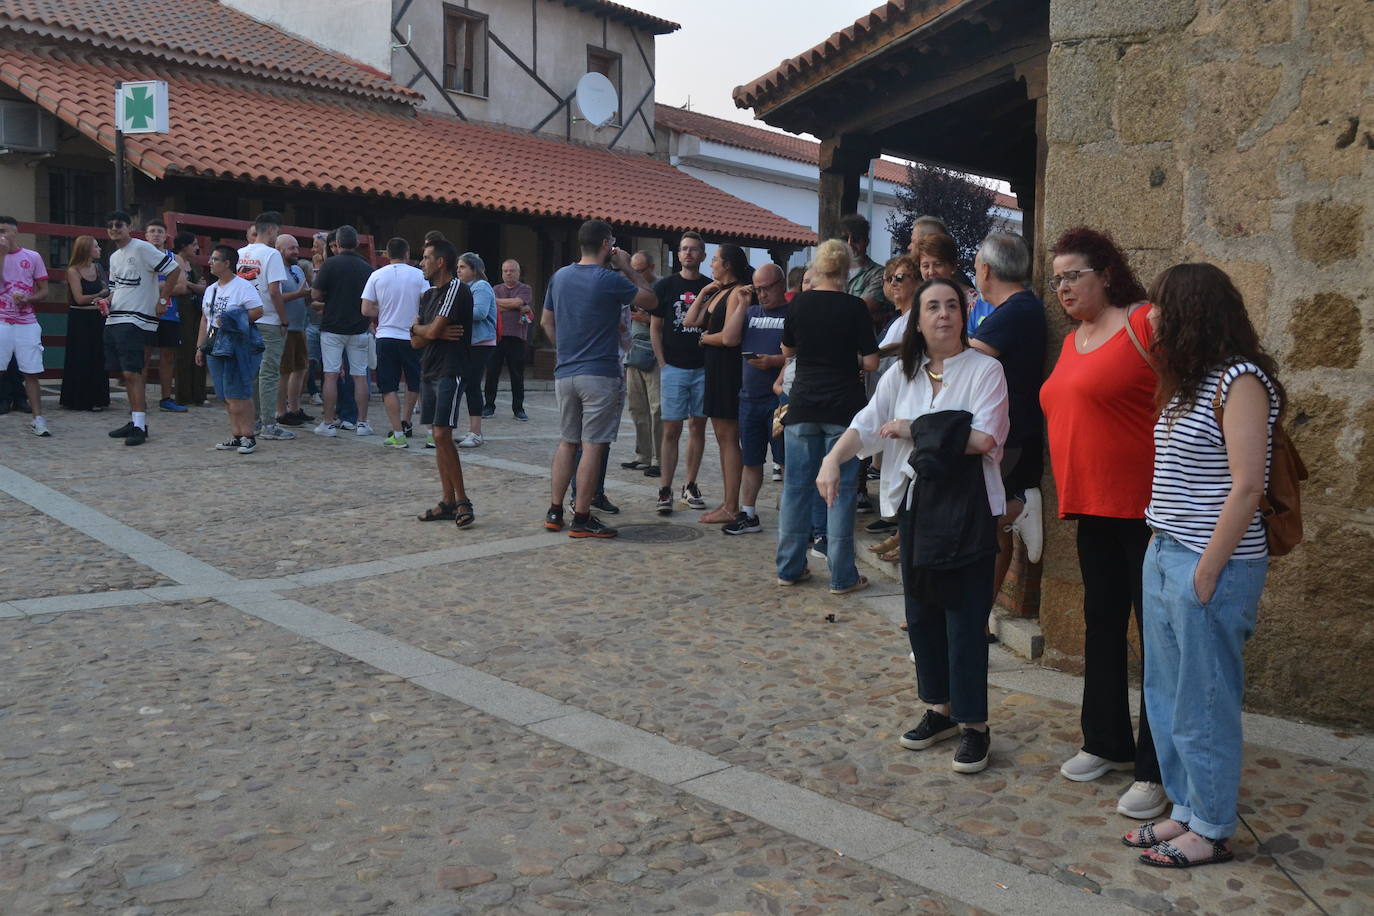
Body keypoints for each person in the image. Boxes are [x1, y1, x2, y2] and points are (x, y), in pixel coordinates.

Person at [1127, 263, 1284, 869]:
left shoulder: (1242, 381)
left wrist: (1209, 571)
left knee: (1206, 699)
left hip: (1208, 564)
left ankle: (1214, 826)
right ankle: (1188, 810)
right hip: (1165, 550)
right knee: (1167, 696)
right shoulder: (1191, 378)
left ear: (1193, 309)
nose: (1153, 315)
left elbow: (1248, 486)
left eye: (1162, 304)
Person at [821, 276, 1009, 773]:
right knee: (922, 614)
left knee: (965, 620)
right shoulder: (901, 376)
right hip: (917, 506)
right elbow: (868, 422)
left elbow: (984, 439)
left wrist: (913, 429)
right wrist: (831, 460)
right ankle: (940, 709)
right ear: (918, 320)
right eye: (933, 307)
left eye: (951, 306)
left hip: (968, 509)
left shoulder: (986, 371)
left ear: (963, 315)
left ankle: (975, 725)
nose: (943, 314)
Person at [1039, 227, 1164, 819]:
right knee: (1103, 625)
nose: (1062, 286)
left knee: (1158, 640)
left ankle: (1156, 767)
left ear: (1106, 274)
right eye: (1057, 278)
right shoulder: (1073, 340)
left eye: (1073, 275)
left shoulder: (1145, 323)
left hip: (1147, 513)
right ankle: (1106, 742)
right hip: (1091, 508)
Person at [775, 239, 878, 594]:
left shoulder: (799, 303)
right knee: (842, 492)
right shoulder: (855, 307)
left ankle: (789, 567)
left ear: (818, 267)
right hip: (843, 409)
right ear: (847, 269)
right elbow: (871, 362)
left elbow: (787, 350)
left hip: (802, 405)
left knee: (795, 489)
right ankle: (842, 576)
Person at [541, 219, 655, 538]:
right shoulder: (610, 280)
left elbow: (546, 322)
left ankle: (554, 509)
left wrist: (564, 350)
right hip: (601, 373)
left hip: (566, 372)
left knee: (568, 442)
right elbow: (651, 300)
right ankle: (581, 517)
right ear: (607, 244)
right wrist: (629, 267)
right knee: (592, 446)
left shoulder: (559, 277)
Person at [969, 233, 1046, 619]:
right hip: (1013, 433)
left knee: (984, 525)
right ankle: (976, 615)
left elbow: (963, 361)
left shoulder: (1016, 310)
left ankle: (1022, 506)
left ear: (985, 269)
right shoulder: (1019, 308)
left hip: (1010, 436)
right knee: (990, 530)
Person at [684, 244, 753, 525]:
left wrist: (704, 338)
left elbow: (729, 338)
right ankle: (728, 502)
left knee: (728, 439)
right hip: (714, 369)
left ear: (727, 265)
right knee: (723, 438)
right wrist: (702, 293)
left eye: (714, 260)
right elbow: (690, 321)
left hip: (728, 370)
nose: (710, 264)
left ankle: (731, 505)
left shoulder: (738, 292)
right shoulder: (718, 291)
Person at [411, 238, 476, 527]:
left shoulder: (455, 290)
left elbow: (434, 329)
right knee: (439, 438)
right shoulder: (427, 297)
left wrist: (427, 331)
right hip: (429, 369)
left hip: (451, 369)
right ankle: (448, 500)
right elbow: (414, 341)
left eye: (425, 258)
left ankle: (462, 500)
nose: (421, 263)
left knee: (441, 434)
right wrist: (424, 331)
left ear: (440, 262)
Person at [722, 261, 788, 535]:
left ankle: (792, 515)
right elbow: (728, 338)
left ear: (780, 285)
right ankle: (748, 513)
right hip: (750, 397)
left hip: (779, 399)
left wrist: (775, 360)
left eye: (766, 288)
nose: (762, 294)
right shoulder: (750, 312)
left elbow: (801, 352)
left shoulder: (792, 313)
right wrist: (741, 302)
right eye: (757, 288)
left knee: (787, 461)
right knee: (751, 459)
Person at [104, 210, 181, 446]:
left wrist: (162, 300)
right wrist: (106, 301)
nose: (115, 229)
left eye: (120, 225)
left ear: (129, 227)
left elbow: (174, 269)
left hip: (136, 318)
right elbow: (115, 287)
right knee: (123, 373)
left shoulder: (142, 247)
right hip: (115, 317)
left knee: (133, 371)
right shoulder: (115, 256)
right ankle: (135, 420)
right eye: (111, 225)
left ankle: (139, 424)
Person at [650, 232, 711, 514]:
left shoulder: (711, 288)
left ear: (703, 255)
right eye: (684, 249)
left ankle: (690, 484)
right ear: (678, 254)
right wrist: (662, 362)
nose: (688, 254)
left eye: (694, 249)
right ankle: (665, 488)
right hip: (673, 367)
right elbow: (655, 327)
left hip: (702, 368)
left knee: (698, 426)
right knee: (671, 429)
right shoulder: (665, 285)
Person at [866, 254, 921, 558]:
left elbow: (904, 349)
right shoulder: (898, 319)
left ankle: (905, 537)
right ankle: (901, 533)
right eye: (890, 278)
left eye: (901, 277)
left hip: (907, 402)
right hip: (890, 401)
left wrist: (870, 353)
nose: (894, 283)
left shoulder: (916, 316)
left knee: (905, 472)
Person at [196, 244, 264, 454]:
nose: (210, 262)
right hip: (215, 343)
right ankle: (236, 434)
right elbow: (205, 319)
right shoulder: (211, 289)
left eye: (215, 259)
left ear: (227, 263)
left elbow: (258, 311)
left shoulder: (243, 286)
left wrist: (232, 320)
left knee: (240, 392)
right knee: (224, 393)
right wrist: (200, 346)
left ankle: (249, 435)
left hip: (237, 343)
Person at [362, 237, 427, 447]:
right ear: (407, 254)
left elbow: (366, 309)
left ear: (387, 254)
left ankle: (397, 433)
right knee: (414, 381)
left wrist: (383, 310)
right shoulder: (419, 275)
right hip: (412, 335)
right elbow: (427, 303)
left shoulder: (376, 275)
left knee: (388, 386)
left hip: (386, 335)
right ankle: (411, 422)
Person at [237, 212, 295, 441]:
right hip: (269, 319)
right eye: (278, 232)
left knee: (253, 372)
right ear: (271, 230)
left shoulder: (241, 253)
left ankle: (256, 418)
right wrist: (283, 319)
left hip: (247, 319)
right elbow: (274, 290)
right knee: (269, 373)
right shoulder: (272, 254)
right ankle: (270, 424)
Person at [312, 225, 373, 437]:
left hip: (332, 326)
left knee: (329, 375)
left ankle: (328, 423)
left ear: (337, 244)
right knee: (359, 376)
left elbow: (316, 295)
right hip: (359, 327)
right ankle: (362, 422)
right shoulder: (366, 267)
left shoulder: (330, 264)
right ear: (356, 243)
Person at [0, 215, 52, 436]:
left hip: (26, 321)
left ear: (14, 232)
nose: (1, 235)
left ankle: (38, 419)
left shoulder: (32, 256)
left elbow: (44, 289)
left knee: (31, 372)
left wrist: (28, 299)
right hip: (1, 320)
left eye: (4, 230)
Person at [620, 250, 663, 476]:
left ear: (652, 268)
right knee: (637, 408)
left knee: (657, 409)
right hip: (633, 353)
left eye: (639, 270)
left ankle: (659, 459)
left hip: (655, 354)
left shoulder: (662, 287)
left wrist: (646, 319)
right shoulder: (631, 288)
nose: (634, 274)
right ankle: (642, 455)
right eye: (632, 270)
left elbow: (674, 321)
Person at [140, 219, 186, 413]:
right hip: (144, 312)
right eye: (152, 231)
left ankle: (166, 398)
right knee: (143, 357)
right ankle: (138, 399)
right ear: (146, 236)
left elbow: (182, 287)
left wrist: (157, 288)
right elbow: (136, 285)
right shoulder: (140, 257)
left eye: (160, 231)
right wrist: (167, 286)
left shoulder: (174, 258)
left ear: (165, 236)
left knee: (167, 356)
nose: (156, 234)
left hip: (169, 313)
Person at [60, 235, 110, 412]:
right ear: (87, 249)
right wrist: (99, 295)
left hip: (97, 318)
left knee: (97, 356)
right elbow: (79, 298)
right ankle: (79, 399)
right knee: (81, 356)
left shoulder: (98, 268)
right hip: (80, 319)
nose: (99, 249)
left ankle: (97, 398)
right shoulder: (74, 270)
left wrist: (103, 295)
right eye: (96, 246)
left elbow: (107, 289)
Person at [483, 258, 533, 421]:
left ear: (518, 273)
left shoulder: (525, 289)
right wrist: (513, 305)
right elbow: (494, 305)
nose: (509, 273)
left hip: (517, 337)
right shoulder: (495, 288)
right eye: (505, 271)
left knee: (517, 375)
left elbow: (518, 302)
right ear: (502, 273)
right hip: (496, 337)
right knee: (492, 373)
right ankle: (489, 406)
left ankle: (518, 409)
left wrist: (505, 304)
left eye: (512, 270)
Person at [271, 233, 313, 427]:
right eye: (291, 248)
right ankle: (280, 411)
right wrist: (299, 293)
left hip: (300, 325)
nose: (296, 251)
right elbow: (276, 297)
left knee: (301, 367)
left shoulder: (297, 269)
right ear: (279, 250)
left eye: (297, 247)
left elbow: (304, 295)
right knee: (285, 370)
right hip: (284, 326)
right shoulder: (275, 271)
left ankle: (294, 408)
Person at [456, 252, 496, 448]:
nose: (458, 271)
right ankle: (472, 429)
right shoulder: (466, 287)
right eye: (458, 267)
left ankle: (476, 432)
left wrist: (453, 311)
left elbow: (479, 312)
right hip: (469, 344)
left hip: (481, 344)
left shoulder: (481, 286)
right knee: (467, 385)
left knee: (472, 386)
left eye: (462, 267)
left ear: (474, 269)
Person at [170, 231, 208, 406]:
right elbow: (179, 287)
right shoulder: (174, 261)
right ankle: (184, 394)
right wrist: (193, 287)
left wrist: (190, 286)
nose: (196, 248)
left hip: (195, 310)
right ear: (184, 246)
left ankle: (198, 393)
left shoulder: (194, 266)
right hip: (181, 310)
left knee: (199, 348)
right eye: (193, 244)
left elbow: (201, 287)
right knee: (184, 352)